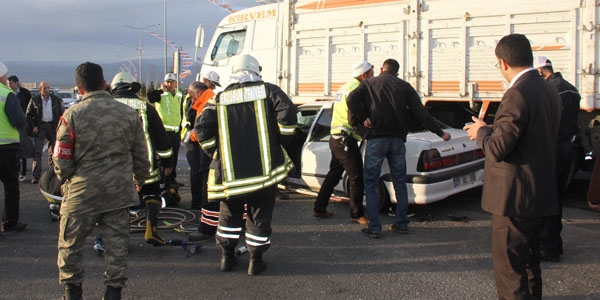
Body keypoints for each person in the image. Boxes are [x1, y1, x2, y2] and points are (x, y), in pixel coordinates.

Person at [463, 34, 561, 299]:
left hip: (514, 199)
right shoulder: (548, 88)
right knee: (530, 265)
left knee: (510, 273)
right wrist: (491, 127)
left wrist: (481, 134)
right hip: (539, 192)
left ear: (503, 63)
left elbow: (497, 149)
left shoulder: (516, 93)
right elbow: (532, 132)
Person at [53, 62, 150, 300]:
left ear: (79, 89)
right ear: (104, 84)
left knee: (71, 246)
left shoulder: (71, 115)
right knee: (117, 246)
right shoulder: (128, 114)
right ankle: (113, 293)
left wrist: (66, 180)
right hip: (118, 191)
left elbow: (61, 159)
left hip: (82, 192)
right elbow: (141, 154)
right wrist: (139, 179)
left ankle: (72, 293)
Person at [195, 54, 297, 275]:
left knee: (229, 213)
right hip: (264, 172)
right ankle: (255, 260)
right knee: (259, 214)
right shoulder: (269, 90)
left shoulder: (219, 97)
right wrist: (280, 141)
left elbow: (201, 129)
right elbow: (288, 115)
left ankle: (226, 257)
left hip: (231, 174)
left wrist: (217, 152)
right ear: (255, 71)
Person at [347, 58, 451, 239]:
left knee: (371, 183)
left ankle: (375, 227)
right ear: (396, 73)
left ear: (381, 69)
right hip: (397, 141)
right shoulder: (404, 86)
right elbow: (421, 113)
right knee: (399, 181)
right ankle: (401, 223)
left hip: (375, 139)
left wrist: (364, 117)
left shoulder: (369, 84)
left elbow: (351, 99)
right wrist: (440, 133)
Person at [110, 71, 174, 246]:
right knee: (152, 192)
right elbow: (161, 138)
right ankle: (151, 230)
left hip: (114, 165)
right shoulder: (145, 107)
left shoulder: (107, 106)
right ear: (132, 87)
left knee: (116, 201)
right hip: (145, 162)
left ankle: (120, 239)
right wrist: (167, 162)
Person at [312, 61, 373, 225]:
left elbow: (333, 110)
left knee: (334, 174)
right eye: (371, 73)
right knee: (356, 177)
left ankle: (319, 208)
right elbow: (353, 112)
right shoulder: (356, 89)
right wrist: (361, 128)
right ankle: (356, 214)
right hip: (346, 138)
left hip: (336, 137)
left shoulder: (344, 87)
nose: (373, 76)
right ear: (364, 75)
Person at [533, 55, 581, 262]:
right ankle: (554, 244)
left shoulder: (549, 90)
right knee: (557, 199)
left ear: (540, 72)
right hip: (567, 148)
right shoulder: (571, 88)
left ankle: (548, 247)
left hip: (551, 149)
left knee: (546, 199)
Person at [184, 80, 222, 242]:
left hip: (210, 156)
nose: (191, 100)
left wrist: (193, 136)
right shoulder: (207, 100)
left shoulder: (208, 102)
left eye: (192, 96)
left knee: (210, 194)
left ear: (198, 92)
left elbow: (203, 130)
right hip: (213, 155)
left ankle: (207, 228)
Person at [0, 61, 27, 234]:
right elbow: (18, 119)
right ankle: (10, 222)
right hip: (6, 147)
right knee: (10, 185)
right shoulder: (6, 94)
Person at [26, 81, 64, 184]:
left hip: (53, 126)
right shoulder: (35, 100)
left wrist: (60, 127)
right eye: (44, 88)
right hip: (40, 126)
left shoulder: (55, 100)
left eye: (48, 88)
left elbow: (62, 114)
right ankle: (36, 175)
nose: (47, 90)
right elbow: (28, 115)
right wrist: (33, 126)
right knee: (37, 151)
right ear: (40, 89)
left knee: (54, 151)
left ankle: (52, 174)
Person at [148, 73, 183, 187]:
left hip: (175, 131)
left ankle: (172, 178)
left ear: (175, 83)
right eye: (167, 82)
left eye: (171, 82)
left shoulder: (179, 94)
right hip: (164, 131)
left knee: (174, 156)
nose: (169, 84)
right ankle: (163, 179)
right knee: (164, 157)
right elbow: (150, 97)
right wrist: (160, 91)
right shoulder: (161, 94)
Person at [7, 75, 33, 182]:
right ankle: (15, 171)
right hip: (10, 124)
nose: (9, 85)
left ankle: (22, 173)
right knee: (13, 149)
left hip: (22, 123)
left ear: (16, 83)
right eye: (8, 83)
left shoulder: (24, 93)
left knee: (22, 148)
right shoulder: (7, 94)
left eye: (11, 83)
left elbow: (29, 107)